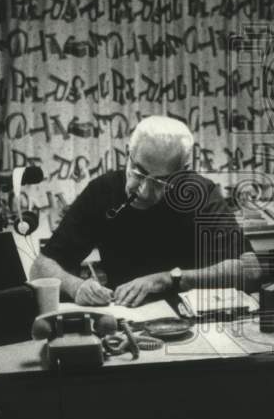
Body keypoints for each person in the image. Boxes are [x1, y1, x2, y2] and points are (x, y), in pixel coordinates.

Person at [30, 115, 260, 306]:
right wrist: (76, 287)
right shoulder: (103, 191)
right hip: (127, 320)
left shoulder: (201, 193)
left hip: (193, 320)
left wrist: (168, 279)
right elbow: (40, 268)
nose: (142, 190)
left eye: (160, 182)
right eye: (138, 172)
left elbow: (250, 270)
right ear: (129, 153)